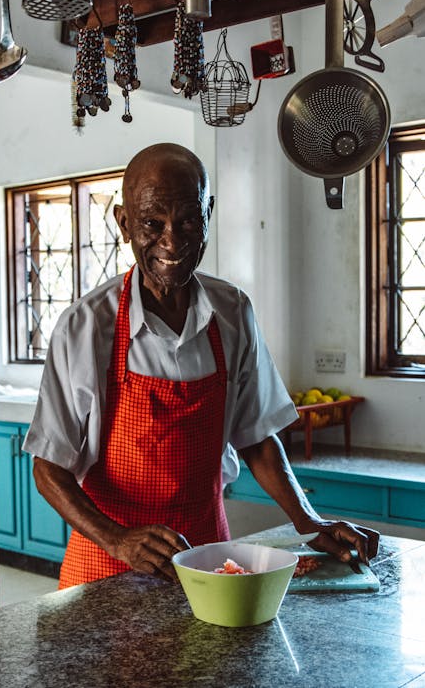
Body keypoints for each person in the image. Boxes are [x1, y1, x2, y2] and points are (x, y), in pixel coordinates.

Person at [23, 142, 379, 588]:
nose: (172, 241)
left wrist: (308, 520)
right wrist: (119, 540)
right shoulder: (84, 327)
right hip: (106, 565)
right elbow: (48, 468)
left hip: (207, 557)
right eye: (153, 223)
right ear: (124, 223)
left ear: (209, 212)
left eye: (189, 219)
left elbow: (257, 437)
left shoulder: (232, 312)